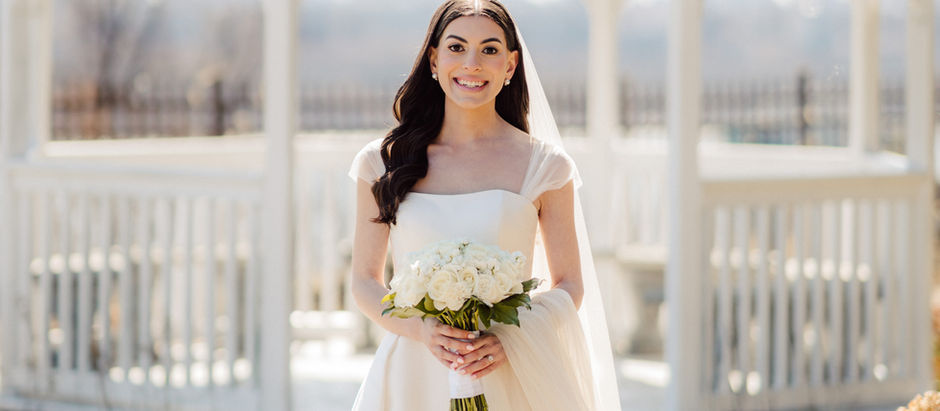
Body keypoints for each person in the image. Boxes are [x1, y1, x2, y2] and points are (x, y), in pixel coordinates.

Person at [347, 1, 620, 409]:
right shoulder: (382, 162)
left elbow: (570, 285)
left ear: (510, 66)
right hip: (413, 375)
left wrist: (511, 338)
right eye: (457, 48)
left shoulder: (546, 166)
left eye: (489, 50)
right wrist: (423, 330)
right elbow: (364, 283)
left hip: (506, 371)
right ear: (435, 59)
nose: (471, 63)